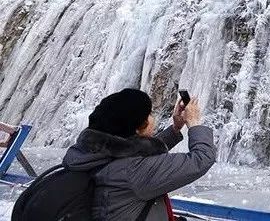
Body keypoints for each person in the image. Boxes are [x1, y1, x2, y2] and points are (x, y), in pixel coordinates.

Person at [63, 88, 216, 220]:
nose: (152, 117)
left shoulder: (92, 154)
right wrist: (194, 123)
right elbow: (202, 159)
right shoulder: (132, 172)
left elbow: (135, 150)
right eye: (149, 113)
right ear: (138, 128)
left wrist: (175, 128)